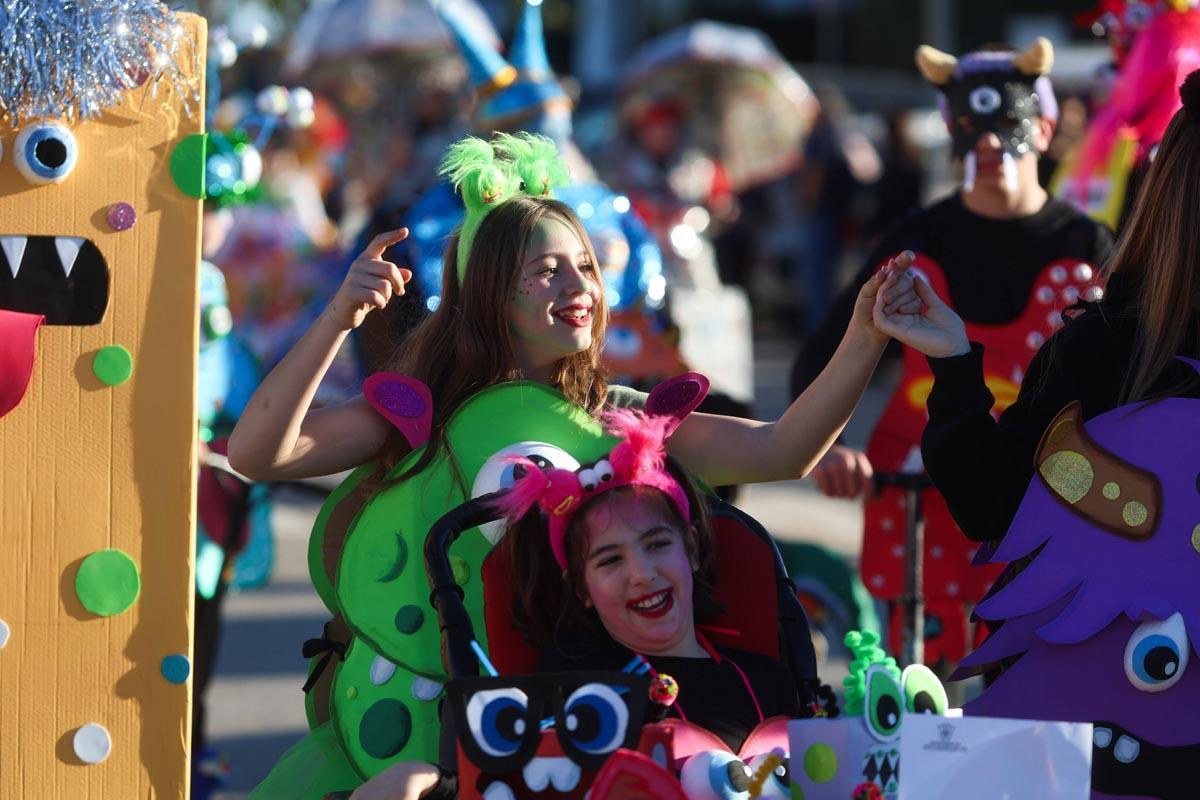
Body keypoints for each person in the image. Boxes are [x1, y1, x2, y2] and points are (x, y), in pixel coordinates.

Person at [228, 134, 918, 499]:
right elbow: (259, 456)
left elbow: (783, 451)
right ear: (489, 293)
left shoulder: (619, 418)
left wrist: (864, 337)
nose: (580, 286)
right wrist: (336, 323)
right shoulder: (418, 418)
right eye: (546, 270)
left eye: (586, 266)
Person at [789, 40, 1115, 668]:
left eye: (1008, 127)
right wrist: (827, 446)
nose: (991, 146)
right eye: (972, 129)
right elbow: (827, 351)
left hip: (1044, 505)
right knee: (916, 699)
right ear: (950, 131)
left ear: (1043, 129)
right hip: (916, 504)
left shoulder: (1088, 244)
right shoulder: (916, 241)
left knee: (1030, 697)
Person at [348, 410, 807, 799]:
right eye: (610, 560)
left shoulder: (768, 678)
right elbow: (507, 778)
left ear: (690, 548)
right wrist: (430, 779)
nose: (641, 572)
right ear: (583, 588)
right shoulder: (573, 697)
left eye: (656, 544)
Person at [916, 71, 1200, 545]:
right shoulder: (1104, 351)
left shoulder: (1099, 343)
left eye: (1006, 123)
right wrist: (955, 367)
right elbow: (997, 507)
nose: (989, 142)